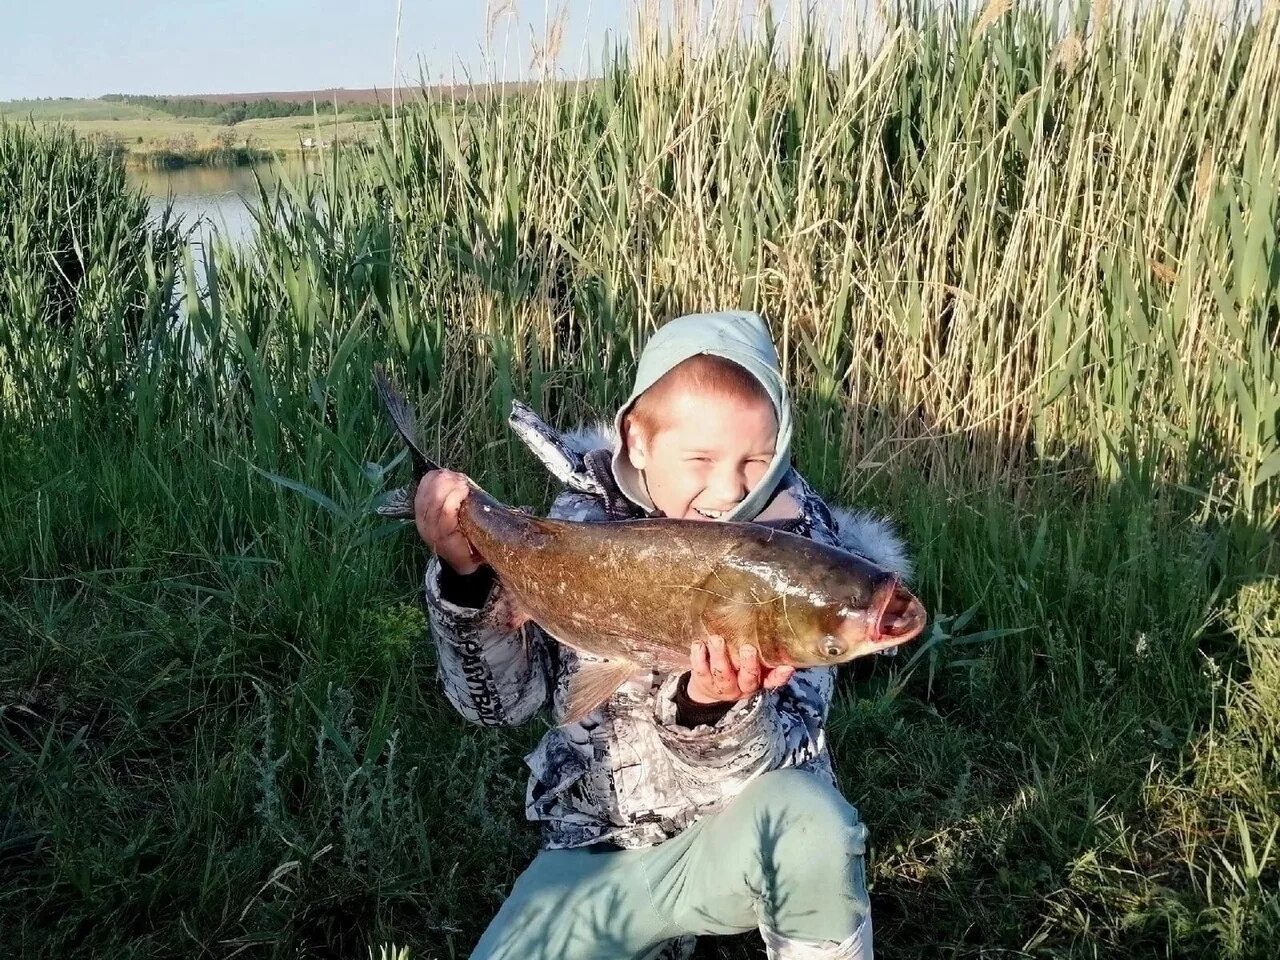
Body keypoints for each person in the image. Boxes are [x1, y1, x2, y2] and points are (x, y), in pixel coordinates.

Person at [414, 310, 913, 960]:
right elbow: (494, 704)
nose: (730, 487)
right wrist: (465, 578)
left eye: (756, 459)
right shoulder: (574, 528)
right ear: (638, 443)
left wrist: (713, 708)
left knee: (813, 825)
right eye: (700, 458)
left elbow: (790, 755)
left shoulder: (798, 560)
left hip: (730, 838)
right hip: (600, 845)